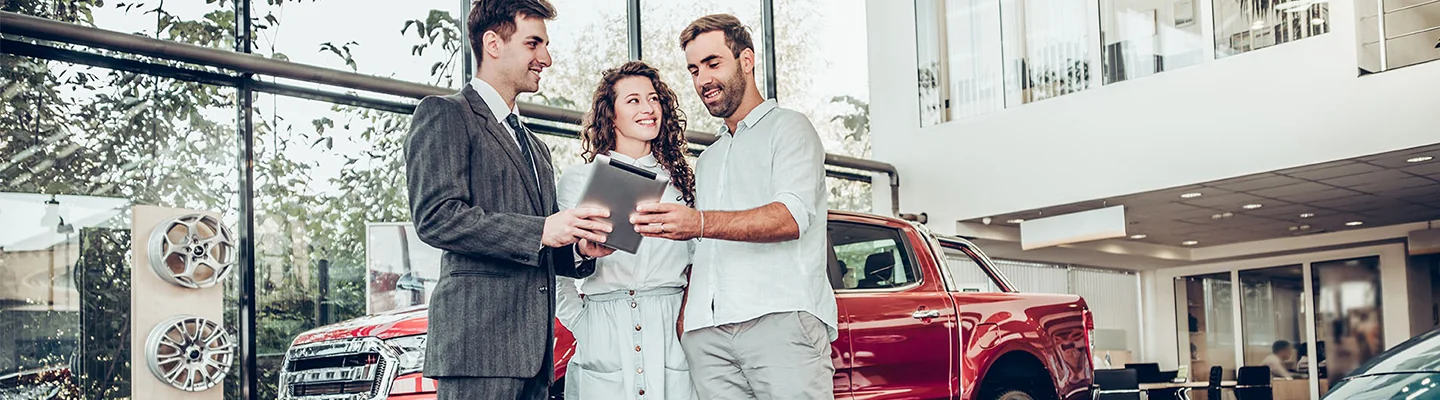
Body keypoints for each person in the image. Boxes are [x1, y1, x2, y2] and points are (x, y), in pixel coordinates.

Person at [403, 0, 615, 398]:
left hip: (534, 355)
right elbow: (436, 216)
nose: (546, 58)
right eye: (534, 43)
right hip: (477, 352)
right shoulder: (446, 114)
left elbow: (542, 244)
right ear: (493, 43)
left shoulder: (535, 147)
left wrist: (580, 250)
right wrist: (543, 229)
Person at [629, 13, 837, 400]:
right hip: (707, 337)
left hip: (780, 322)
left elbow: (790, 218)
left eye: (712, 63)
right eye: (693, 70)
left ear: (746, 60)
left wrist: (699, 222)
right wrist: (688, 319)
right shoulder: (708, 158)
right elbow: (699, 248)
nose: (702, 79)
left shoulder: (790, 128)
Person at [554, 60, 700, 400]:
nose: (649, 109)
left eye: (653, 99)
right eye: (633, 100)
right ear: (611, 114)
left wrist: (683, 321)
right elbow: (559, 268)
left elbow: (698, 264)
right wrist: (585, 324)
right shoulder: (578, 179)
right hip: (603, 326)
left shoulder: (682, 185)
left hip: (669, 330)